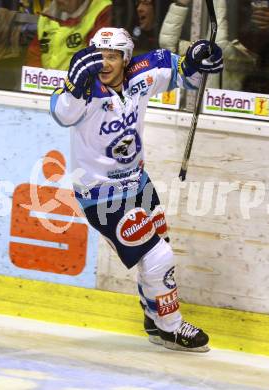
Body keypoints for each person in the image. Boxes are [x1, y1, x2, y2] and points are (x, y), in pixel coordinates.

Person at [50, 27, 223, 351]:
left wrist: (201, 56)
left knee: (156, 251)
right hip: (100, 194)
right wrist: (73, 86)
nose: (104, 62)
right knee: (159, 255)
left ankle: (153, 317)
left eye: (113, 56)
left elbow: (182, 72)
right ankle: (170, 327)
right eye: (99, 54)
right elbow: (62, 114)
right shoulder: (84, 89)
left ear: (126, 59)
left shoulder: (140, 75)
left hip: (137, 182)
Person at [26, 0, 112, 70]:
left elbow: (99, 62)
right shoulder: (48, 14)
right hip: (48, 85)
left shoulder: (102, 11)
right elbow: (36, 52)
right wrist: (38, 82)